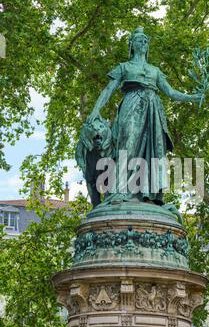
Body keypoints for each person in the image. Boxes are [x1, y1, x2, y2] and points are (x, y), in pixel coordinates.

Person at [78, 26, 202, 206]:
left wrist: (193, 98)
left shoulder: (155, 70)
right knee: (127, 144)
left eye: (145, 40)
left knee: (155, 151)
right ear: (131, 44)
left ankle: (149, 194)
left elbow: (171, 92)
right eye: (139, 40)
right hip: (132, 103)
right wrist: (96, 110)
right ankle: (120, 191)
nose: (143, 42)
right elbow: (109, 89)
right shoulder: (124, 67)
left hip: (153, 109)